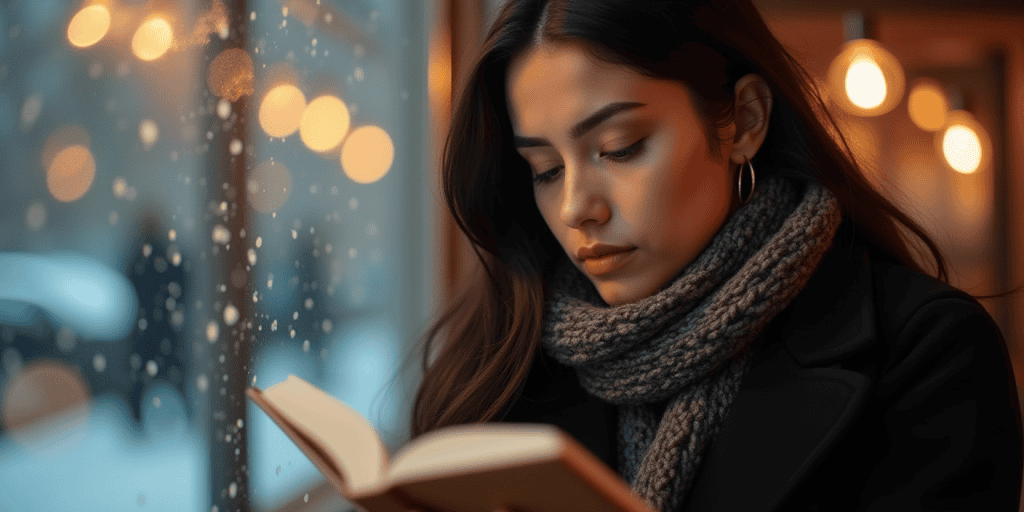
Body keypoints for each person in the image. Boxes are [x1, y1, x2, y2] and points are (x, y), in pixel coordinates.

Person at [406, 0, 1024, 510]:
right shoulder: (499, 364)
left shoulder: (927, 353)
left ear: (744, 121)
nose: (575, 208)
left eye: (619, 148)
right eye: (543, 168)